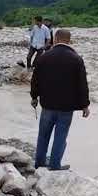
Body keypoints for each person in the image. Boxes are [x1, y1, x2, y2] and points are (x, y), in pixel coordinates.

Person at [30, 29, 90, 171]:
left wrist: (34, 97)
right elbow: (82, 84)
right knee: (60, 137)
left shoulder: (44, 57)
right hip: (66, 107)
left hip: (47, 104)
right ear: (69, 40)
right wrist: (85, 105)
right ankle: (55, 166)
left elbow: (35, 80)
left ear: (55, 39)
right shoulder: (76, 59)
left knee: (43, 135)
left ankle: (39, 163)